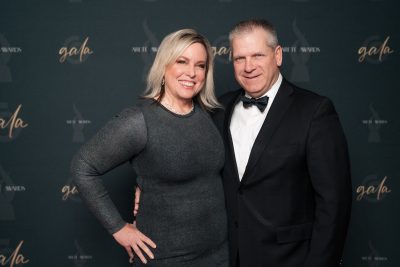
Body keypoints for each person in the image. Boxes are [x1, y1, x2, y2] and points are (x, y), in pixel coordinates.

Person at [71, 28, 229, 267]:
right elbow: (82, 167)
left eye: (200, 65)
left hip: (218, 256)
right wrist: (118, 228)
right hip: (166, 259)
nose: (192, 73)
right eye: (182, 61)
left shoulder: (210, 116)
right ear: (164, 66)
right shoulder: (138, 121)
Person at [212, 19, 352, 267]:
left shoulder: (314, 111)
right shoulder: (220, 109)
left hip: (290, 260)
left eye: (257, 55)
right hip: (228, 258)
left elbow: (334, 202)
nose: (248, 67)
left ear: (277, 55)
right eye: (239, 58)